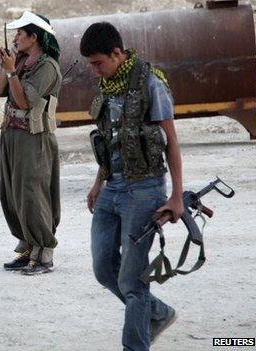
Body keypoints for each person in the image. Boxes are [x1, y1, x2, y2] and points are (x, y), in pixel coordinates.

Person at [80, 22, 184, 350]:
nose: (96, 71)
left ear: (117, 53)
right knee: (103, 269)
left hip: (145, 190)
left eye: (99, 63)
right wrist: (99, 182)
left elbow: (171, 141)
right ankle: (158, 312)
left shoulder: (151, 84)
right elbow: (110, 141)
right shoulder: (109, 86)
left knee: (132, 280)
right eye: (91, 65)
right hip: (112, 188)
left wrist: (177, 196)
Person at [0, 11, 62, 275]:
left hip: (34, 138)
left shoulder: (47, 67)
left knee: (32, 195)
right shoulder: (20, 61)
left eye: (21, 34)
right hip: (12, 135)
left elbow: (24, 102)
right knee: (12, 193)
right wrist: (6, 68)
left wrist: (12, 74)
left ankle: (44, 253)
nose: (16, 38)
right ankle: (27, 247)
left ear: (34, 37)